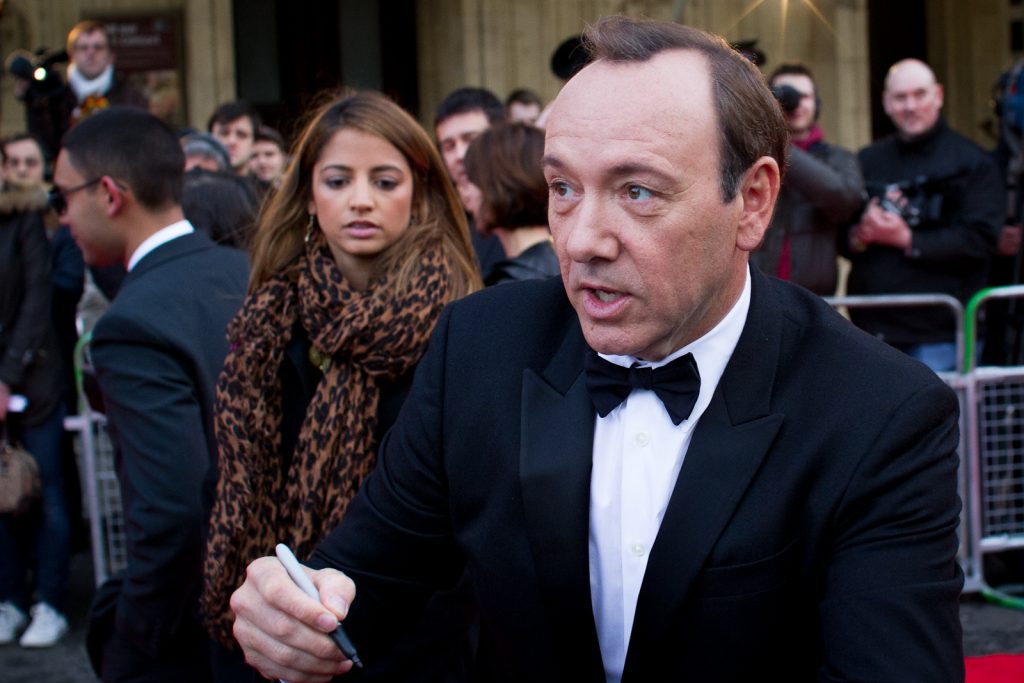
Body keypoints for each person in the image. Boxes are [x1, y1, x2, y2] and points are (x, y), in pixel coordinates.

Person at [230, 17, 963, 682]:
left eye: (637, 191)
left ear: (753, 202)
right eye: (563, 188)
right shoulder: (478, 347)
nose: (581, 240)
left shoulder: (878, 411)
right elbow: (367, 576)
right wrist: (295, 611)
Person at [199, 90, 480, 681]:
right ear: (308, 194)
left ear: (419, 194)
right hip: (274, 626)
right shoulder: (268, 320)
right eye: (337, 180)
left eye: (384, 181)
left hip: (419, 641)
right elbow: (229, 482)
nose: (361, 200)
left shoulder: (463, 327)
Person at [52, 107, 249, 682]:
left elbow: (171, 514)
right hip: (277, 602)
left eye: (62, 197)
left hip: (194, 634)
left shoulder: (132, 324)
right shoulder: (246, 269)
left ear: (109, 194)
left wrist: (135, 640)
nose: (61, 216)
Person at [842, 58, 1003, 372]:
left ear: (938, 96)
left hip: (939, 336)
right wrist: (860, 234)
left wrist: (906, 238)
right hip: (870, 331)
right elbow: (841, 235)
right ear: (886, 103)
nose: (910, 106)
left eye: (920, 94)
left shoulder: (973, 163)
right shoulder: (867, 160)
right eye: (900, 97)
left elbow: (980, 241)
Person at [0, 137, 70, 650]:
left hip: (35, 380)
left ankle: (51, 602)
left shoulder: (23, 217)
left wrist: (5, 377)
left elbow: (36, 301)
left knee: (45, 491)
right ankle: (10, 600)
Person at [750, 63, 863, 295]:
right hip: (758, 292)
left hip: (814, 297)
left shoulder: (837, 158)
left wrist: (779, 145)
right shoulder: (753, 158)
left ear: (817, 103)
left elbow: (846, 201)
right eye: (786, 96)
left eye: (805, 96)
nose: (796, 103)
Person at [18, 20, 147, 161]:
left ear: (111, 55)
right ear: (71, 54)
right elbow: (43, 147)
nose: (90, 53)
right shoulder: (55, 95)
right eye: (83, 48)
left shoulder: (130, 95)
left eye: (98, 47)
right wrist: (37, 103)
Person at [464, 122, 558, 285]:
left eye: (472, 180)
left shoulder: (515, 284)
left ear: (498, 186)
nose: (467, 194)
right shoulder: (559, 263)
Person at [434, 87, 506, 278]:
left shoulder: (537, 209)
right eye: (449, 146)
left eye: (470, 139)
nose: (460, 155)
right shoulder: (435, 221)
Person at [208, 101, 260, 177]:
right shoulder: (192, 182)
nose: (231, 141)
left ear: (254, 142)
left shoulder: (265, 184)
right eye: (224, 134)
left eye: (241, 135)